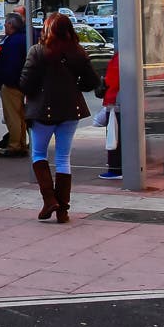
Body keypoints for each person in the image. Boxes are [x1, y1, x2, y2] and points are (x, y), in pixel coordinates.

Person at [19, 12, 98, 223]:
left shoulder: (37, 52)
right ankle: (63, 210)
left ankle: (49, 200)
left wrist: (37, 91)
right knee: (63, 158)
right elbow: (92, 81)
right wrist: (74, 87)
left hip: (42, 112)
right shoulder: (78, 52)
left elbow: (25, 84)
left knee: (38, 154)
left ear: (47, 30)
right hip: (71, 110)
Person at [0, 12, 28, 157]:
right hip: (19, 83)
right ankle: (21, 144)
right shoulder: (22, 39)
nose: (4, 25)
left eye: (6, 23)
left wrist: (5, 81)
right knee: (20, 117)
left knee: (12, 116)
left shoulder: (12, 41)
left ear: (11, 25)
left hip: (12, 84)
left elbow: (11, 65)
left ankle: (14, 146)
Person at [99, 51, 122, 180]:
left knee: (114, 135)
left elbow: (113, 79)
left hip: (115, 99)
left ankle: (115, 168)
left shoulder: (119, 57)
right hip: (124, 100)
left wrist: (105, 81)